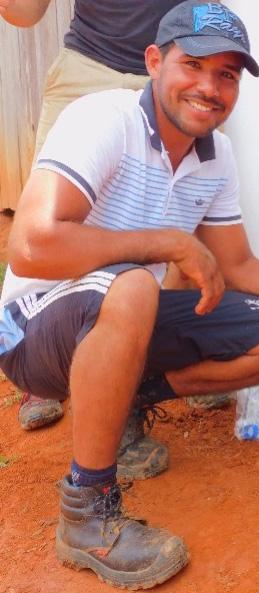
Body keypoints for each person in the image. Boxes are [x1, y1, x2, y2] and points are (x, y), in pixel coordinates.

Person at [0, 1, 259, 587]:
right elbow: (30, 247)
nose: (209, 87)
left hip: (113, 314)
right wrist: (168, 243)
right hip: (32, 330)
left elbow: (238, 266)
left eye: (227, 75)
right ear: (154, 61)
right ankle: (86, 509)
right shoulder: (103, 118)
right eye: (194, 65)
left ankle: (122, 395)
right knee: (137, 282)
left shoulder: (217, 156)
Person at [0, 0, 228, 436]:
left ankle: (147, 366)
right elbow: (23, 13)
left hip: (183, 66)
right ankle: (42, 368)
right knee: (50, 224)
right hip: (90, 64)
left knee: (189, 223)